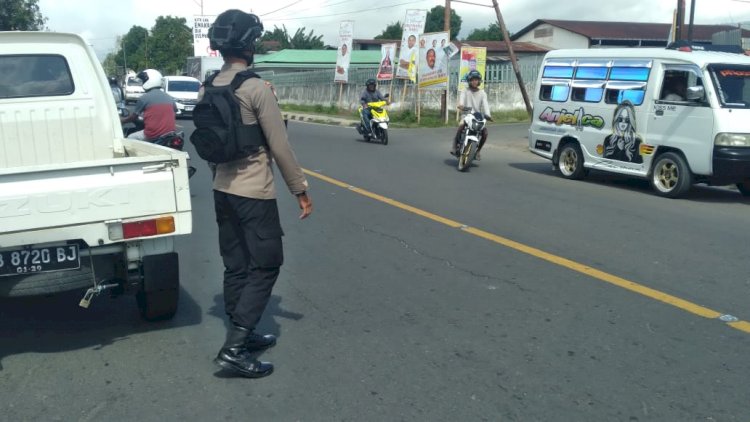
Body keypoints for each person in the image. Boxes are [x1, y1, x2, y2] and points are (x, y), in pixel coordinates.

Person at [206, 9, 313, 378]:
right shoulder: (255, 88)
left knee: (236, 266)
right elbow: (280, 146)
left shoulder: (210, 85)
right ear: (249, 45)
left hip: (222, 190)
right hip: (254, 193)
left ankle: (244, 331)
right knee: (266, 264)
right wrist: (299, 189)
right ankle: (234, 349)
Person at [120, 69, 177, 141]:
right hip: (170, 133)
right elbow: (175, 110)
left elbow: (133, 117)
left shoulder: (144, 98)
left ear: (149, 81)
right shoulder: (169, 97)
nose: (142, 82)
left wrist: (122, 121)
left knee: (130, 137)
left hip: (153, 134)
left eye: (144, 80)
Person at [452, 70, 492, 159]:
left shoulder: (482, 93)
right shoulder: (465, 91)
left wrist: (488, 115)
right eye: (473, 80)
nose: (475, 81)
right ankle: (455, 145)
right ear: (469, 80)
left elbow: (486, 106)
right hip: (466, 115)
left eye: (477, 80)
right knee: (461, 126)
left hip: (477, 118)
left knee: (485, 133)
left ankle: (478, 151)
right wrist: (461, 106)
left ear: (479, 81)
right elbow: (461, 102)